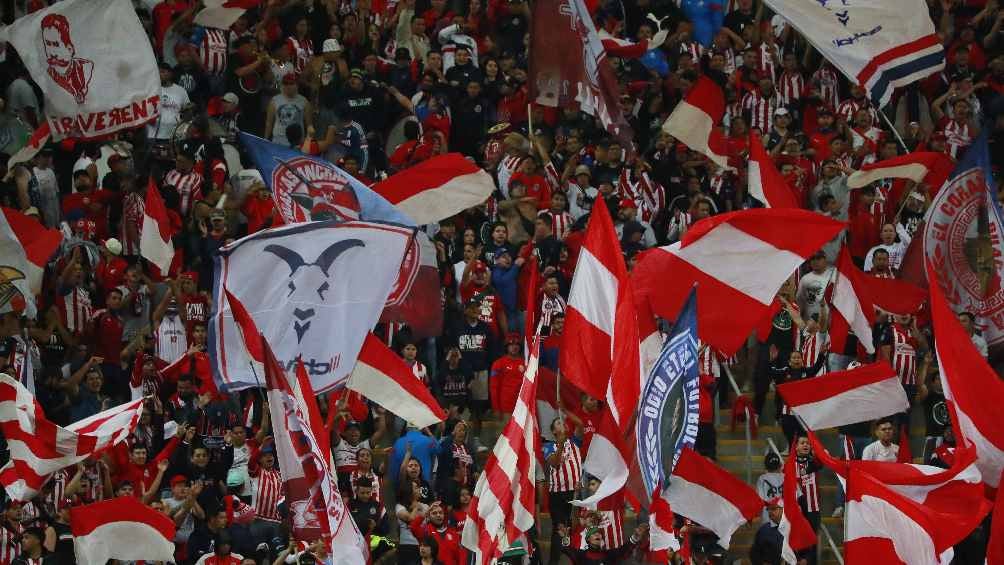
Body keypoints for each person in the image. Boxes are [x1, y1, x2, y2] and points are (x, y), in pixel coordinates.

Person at [749, 498, 784, 565]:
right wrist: (762, 563)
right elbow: (754, 553)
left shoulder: (793, 527)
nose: (770, 512)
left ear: (783, 510)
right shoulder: (763, 530)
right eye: (768, 509)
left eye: (773, 509)